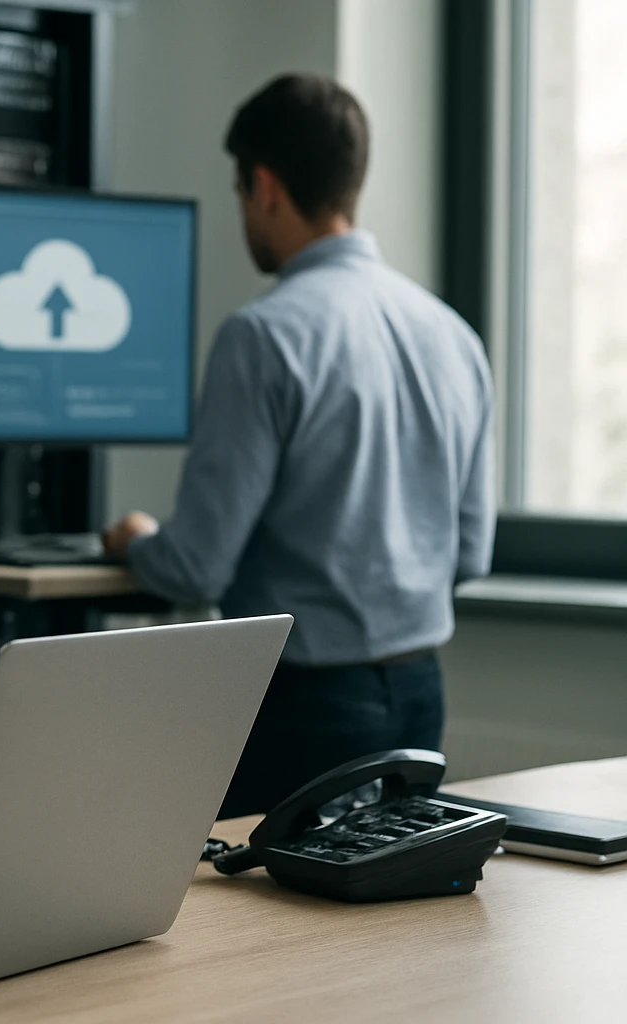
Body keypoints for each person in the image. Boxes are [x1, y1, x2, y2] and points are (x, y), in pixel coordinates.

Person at [102, 74, 494, 818]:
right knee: (392, 922)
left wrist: (138, 542)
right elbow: (469, 555)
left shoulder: (263, 336)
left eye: (241, 190)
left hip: (304, 708)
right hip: (420, 699)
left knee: (265, 925)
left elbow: (197, 565)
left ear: (267, 185)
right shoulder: (453, 334)